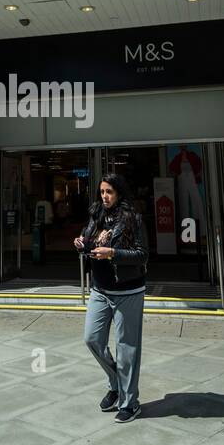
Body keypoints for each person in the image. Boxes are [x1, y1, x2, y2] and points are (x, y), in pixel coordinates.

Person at [74, 173, 148, 424]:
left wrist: (113, 253)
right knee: (92, 339)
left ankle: (129, 402)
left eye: (109, 192)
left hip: (128, 290)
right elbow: (89, 241)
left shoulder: (132, 218)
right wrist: (82, 243)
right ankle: (116, 383)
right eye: (102, 191)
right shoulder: (96, 215)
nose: (104, 196)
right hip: (100, 289)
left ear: (119, 193)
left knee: (127, 349)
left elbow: (141, 254)